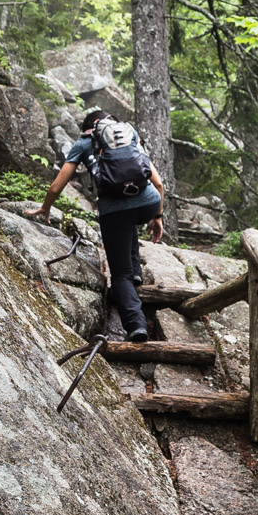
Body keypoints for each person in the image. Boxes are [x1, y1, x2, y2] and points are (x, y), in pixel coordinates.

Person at [27, 109, 165, 342]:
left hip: (115, 212)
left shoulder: (84, 142)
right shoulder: (128, 133)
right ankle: (137, 274)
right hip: (149, 203)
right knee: (129, 222)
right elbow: (158, 183)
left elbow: (56, 186)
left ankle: (136, 324)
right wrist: (158, 216)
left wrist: (45, 207)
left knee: (120, 275)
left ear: (88, 128)